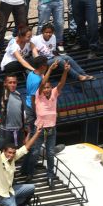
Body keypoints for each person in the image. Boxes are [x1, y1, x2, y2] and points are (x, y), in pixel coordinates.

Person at [30, 60, 70, 188]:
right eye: (45, 88)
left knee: (50, 153)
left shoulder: (54, 93)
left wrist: (65, 71)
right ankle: (30, 173)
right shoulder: (39, 95)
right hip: (39, 129)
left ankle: (50, 175)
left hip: (51, 128)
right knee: (35, 152)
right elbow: (42, 83)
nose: (46, 89)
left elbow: (61, 83)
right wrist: (50, 69)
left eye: (48, 87)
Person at [0, 48, 28, 149]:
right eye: (10, 82)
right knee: (4, 155)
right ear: (5, 83)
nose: (12, 84)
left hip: (19, 131)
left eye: (14, 82)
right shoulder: (2, 92)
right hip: (5, 131)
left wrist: (24, 130)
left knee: (18, 154)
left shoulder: (18, 95)